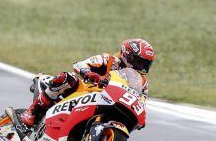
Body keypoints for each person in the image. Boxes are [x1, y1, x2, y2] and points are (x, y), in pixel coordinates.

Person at [19, 38, 155, 127]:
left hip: (110, 102)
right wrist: (91, 74)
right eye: (139, 62)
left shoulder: (142, 83)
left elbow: (141, 101)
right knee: (68, 77)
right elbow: (79, 65)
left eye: (145, 64)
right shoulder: (108, 59)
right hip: (85, 91)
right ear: (127, 55)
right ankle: (33, 111)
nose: (142, 67)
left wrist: (140, 117)